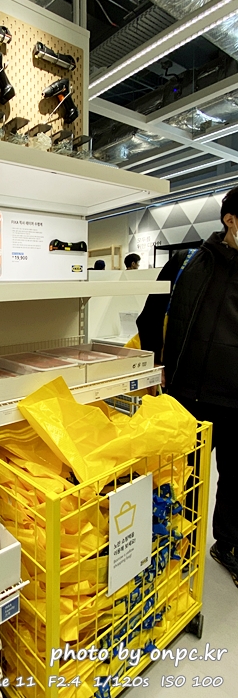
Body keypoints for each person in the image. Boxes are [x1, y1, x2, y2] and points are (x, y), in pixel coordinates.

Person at [137, 187, 238, 588]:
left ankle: (228, 545)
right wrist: (154, 364)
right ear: (230, 220)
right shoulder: (187, 262)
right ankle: (180, 541)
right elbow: (150, 314)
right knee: (183, 476)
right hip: (187, 394)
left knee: (236, 480)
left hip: (236, 401)